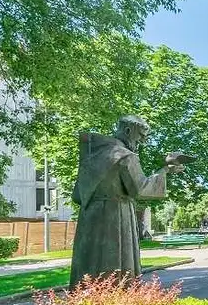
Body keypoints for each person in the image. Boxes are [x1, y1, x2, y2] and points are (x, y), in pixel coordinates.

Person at [69, 115, 184, 288]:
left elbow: (77, 195)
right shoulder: (124, 156)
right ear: (129, 131)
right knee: (116, 265)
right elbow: (140, 189)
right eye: (140, 137)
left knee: (89, 262)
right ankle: (118, 300)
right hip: (116, 214)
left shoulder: (92, 154)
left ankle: (85, 298)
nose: (140, 142)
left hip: (89, 219)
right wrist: (165, 170)